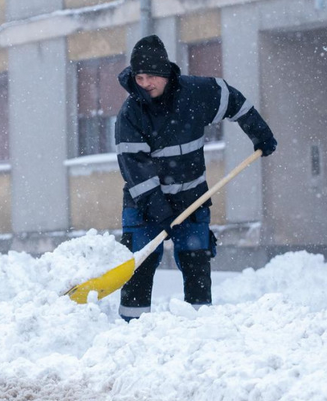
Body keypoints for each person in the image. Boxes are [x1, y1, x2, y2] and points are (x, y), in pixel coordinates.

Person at [114, 35, 276, 320]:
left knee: (196, 263)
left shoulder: (196, 94)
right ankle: (132, 331)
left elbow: (233, 100)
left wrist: (259, 132)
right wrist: (158, 209)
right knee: (137, 268)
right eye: (139, 77)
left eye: (152, 76)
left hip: (193, 198)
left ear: (165, 73)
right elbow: (135, 168)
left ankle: (200, 328)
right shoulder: (130, 114)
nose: (145, 83)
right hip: (144, 206)